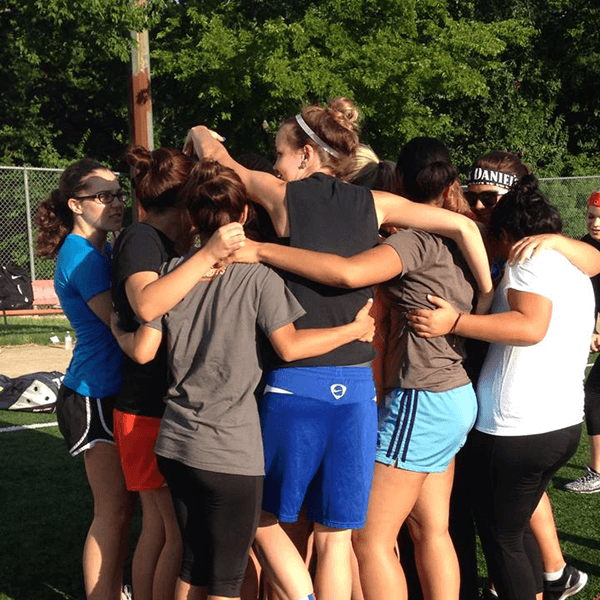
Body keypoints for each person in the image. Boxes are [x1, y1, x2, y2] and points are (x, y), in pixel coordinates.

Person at [185, 98, 492, 600]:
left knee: (263, 520)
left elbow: (222, 161)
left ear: (306, 155)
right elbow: (461, 226)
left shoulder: (283, 196)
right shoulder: (376, 205)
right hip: (355, 393)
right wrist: (481, 298)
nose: (277, 161)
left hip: (296, 383)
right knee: (335, 538)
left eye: (280, 151)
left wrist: (199, 130)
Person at [116, 158, 375, 600]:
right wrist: (354, 330)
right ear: (243, 215)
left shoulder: (173, 275)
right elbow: (290, 346)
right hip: (230, 452)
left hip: (177, 445)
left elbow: (147, 337)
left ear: (191, 218)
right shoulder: (259, 278)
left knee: (194, 564)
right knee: (225, 581)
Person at [408, 175, 599, 600]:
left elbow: (530, 327)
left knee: (503, 538)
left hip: (519, 428)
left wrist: (454, 322)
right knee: (513, 529)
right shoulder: (569, 265)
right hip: (559, 423)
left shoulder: (526, 262)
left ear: (507, 233)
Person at [110, 146, 248, 600]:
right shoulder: (142, 240)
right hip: (144, 408)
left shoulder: (172, 246)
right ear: (187, 201)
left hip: (163, 407)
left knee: (170, 529)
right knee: (168, 530)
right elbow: (147, 304)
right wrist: (205, 255)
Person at [35, 158, 135, 600]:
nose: (115, 203)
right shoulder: (82, 255)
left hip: (103, 388)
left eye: (118, 194)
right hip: (94, 394)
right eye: (103, 196)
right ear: (76, 204)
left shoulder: (99, 249)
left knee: (121, 508)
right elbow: (117, 323)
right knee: (112, 511)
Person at [564, 189, 600, 494]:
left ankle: (597, 472)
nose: (596, 222)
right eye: (591, 216)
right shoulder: (581, 247)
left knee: (595, 393)